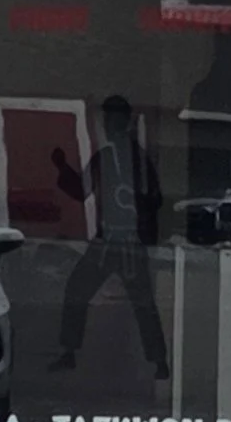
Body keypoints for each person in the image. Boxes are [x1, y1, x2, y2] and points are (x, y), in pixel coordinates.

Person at [51, 97, 168, 374]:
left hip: (126, 243)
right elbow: (82, 189)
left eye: (112, 119)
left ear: (122, 122)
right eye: (108, 119)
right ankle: (158, 361)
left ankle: (160, 360)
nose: (109, 124)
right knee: (81, 290)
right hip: (112, 242)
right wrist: (62, 169)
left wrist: (61, 168)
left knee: (141, 302)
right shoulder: (118, 158)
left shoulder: (135, 161)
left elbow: (155, 199)